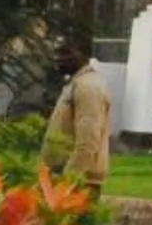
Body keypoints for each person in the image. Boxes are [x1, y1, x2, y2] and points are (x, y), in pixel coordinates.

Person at [41, 44, 114, 188]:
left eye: (66, 53)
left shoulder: (88, 88)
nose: (58, 58)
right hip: (66, 177)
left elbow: (88, 140)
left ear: (83, 54)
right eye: (56, 53)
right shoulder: (77, 83)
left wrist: (69, 179)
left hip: (79, 181)